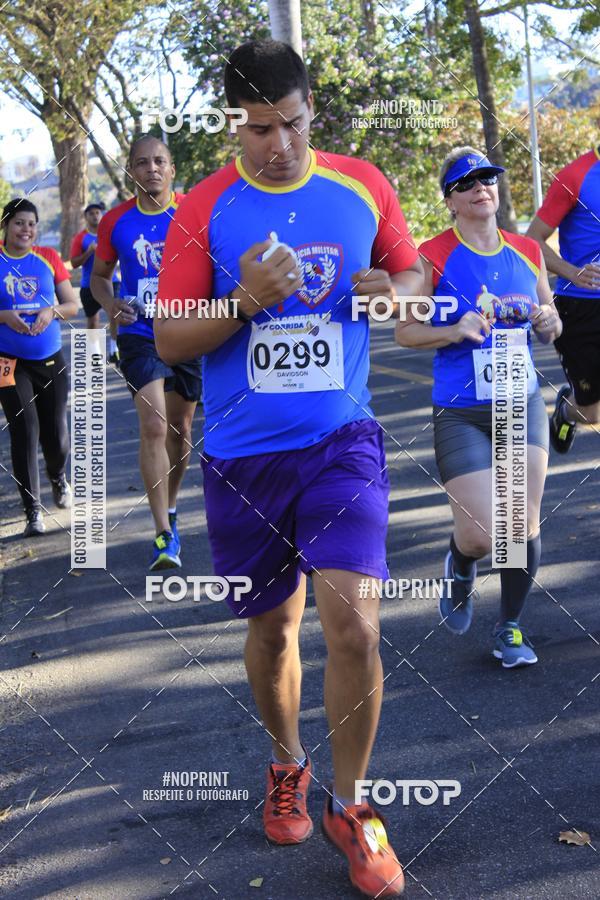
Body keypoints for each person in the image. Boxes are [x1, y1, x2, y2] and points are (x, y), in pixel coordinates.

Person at [155, 40, 423, 899]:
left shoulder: (361, 183)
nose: (281, 144)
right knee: (274, 632)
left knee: (356, 628)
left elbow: (412, 271)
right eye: (262, 129)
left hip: (341, 441)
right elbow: (169, 338)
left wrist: (396, 290)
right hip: (243, 459)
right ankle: (288, 762)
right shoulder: (203, 208)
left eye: (295, 123)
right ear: (236, 122)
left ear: (314, 109)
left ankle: (352, 804)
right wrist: (243, 303)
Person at [396, 147, 562, 668]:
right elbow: (405, 330)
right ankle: (461, 562)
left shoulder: (527, 251)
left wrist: (549, 323)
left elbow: (548, 310)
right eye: (467, 183)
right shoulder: (433, 256)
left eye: (487, 178)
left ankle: (508, 627)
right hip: (461, 408)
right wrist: (453, 330)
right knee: (480, 533)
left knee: (521, 524)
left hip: (522, 401)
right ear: (451, 200)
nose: (481, 187)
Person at [91, 136, 200, 571]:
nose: (151, 169)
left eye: (159, 162)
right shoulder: (116, 222)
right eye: (141, 163)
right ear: (131, 171)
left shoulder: (194, 212)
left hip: (188, 327)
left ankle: (170, 509)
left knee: (180, 429)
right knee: (154, 424)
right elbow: (99, 276)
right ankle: (162, 533)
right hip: (139, 331)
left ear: (172, 169)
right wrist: (109, 303)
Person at [0, 198, 79, 536]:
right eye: (19, 222)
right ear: (6, 225)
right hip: (8, 362)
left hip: (50, 360)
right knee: (24, 432)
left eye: (31, 223)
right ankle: (33, 511)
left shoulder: (47, 258)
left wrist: (52, 312)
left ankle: (58, 476)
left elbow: (73, 305)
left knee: (56, 434)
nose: (26, 229)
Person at [527, 146, 600, 452]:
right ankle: (568, 410)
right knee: (592, 411)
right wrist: (570, 272)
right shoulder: (576, 175)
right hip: (580, 307)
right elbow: (532, 239)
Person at [70, 202, 120, 364]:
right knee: (93, 321)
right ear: (85, 217)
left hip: (112, 281)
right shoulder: (80, 238)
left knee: (116, 314)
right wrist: (89, 251)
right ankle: (96, 353)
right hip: (88, 284)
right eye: (91, 213)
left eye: (98, 212)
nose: (95, 216)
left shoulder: (110, 233)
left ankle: (114, 350)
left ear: (102, 214)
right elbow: (74, 263)